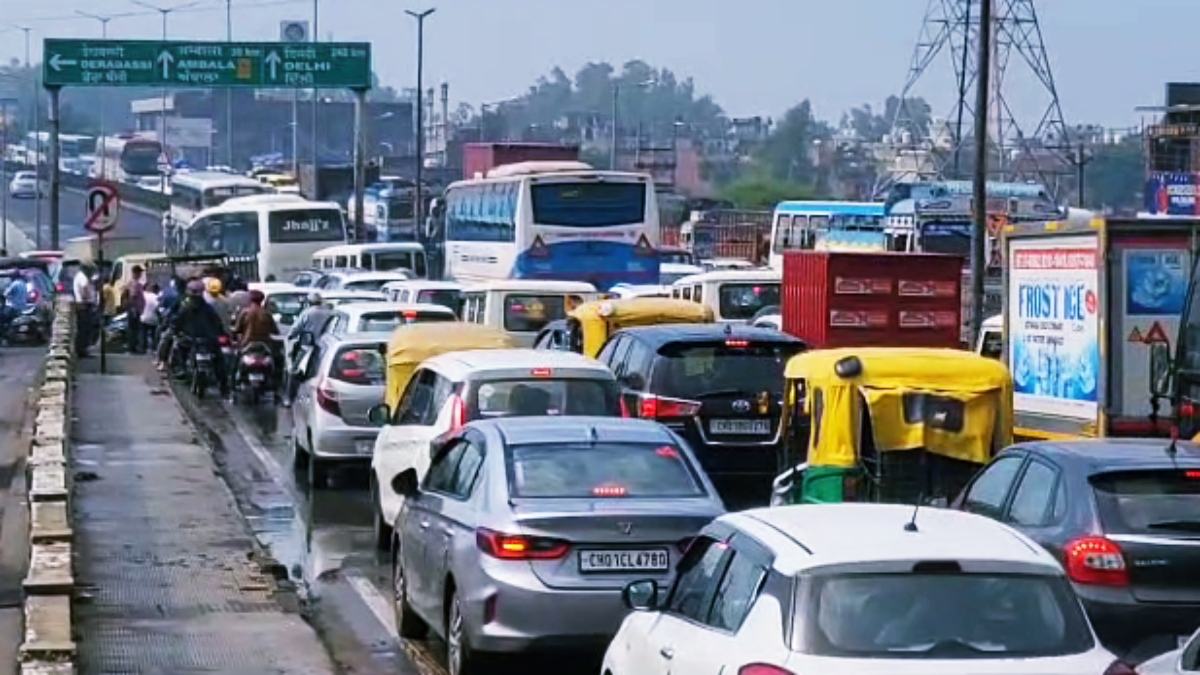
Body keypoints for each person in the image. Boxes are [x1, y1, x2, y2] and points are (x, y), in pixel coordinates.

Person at [170, 281, 230, 397]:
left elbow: (217, 324)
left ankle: (224, 386)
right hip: (195, 340)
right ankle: (224, 386)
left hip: (205, 340)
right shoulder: (190, 308)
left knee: (219, 361)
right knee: (180, 348)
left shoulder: (204, 308)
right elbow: (177, 322)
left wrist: (221, 335)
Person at [230, 289, 281, 392]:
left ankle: (232, 387)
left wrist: (232, 333)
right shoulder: (267, 314)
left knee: (234, 364)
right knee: (276, 364)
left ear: (250, 300)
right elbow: (275, 331)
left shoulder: (245, 312)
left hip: (247, 345)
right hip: (264, 346)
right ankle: (276, 389)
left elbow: (237, 329)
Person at [73, 264, 98, 357]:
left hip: (84, 304)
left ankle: (82, 349)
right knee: (84, 328)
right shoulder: (82, 277)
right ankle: (81, 350)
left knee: (84, 328)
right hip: (84, 304)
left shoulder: (80, 276)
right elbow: (85, 288)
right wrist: (87, 297)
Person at [125, 265, 147, 354]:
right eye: (139, 272)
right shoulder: (135, 284)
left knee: (133, 329)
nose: (140, 274)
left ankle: (132, 347)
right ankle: (132, 347)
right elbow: (133, 296)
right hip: (134, 310)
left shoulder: (131, 283)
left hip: (134, 309)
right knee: (134, 329)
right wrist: (134, 309)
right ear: (135, 273)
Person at [140, 283, 160, 352]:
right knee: (153, 333)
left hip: (143, 317)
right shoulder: (155, 296)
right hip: (153, 318)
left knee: (143, 333)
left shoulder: (142, 295)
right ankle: (154, 348)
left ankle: (143, 348)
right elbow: (157, 307)